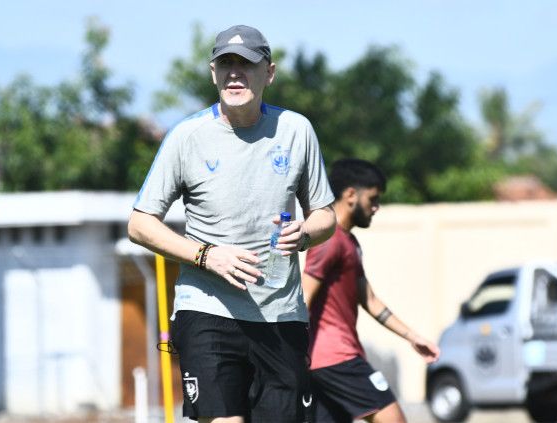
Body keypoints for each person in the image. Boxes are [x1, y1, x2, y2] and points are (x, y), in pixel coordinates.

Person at [127, 24, 336, 423]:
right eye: (226, 65)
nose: (235, 74)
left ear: (269, 73)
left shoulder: (296, 131)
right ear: (213, 73)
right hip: (207, 310)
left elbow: (326, 216)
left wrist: (305, 233)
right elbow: (140, 224)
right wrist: (207, 256)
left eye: (246, 65)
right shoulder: (186, 136)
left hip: (281, 315)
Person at [302, 158, 440, 423]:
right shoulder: (329, 241)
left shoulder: (348, 242)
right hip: (336, 359)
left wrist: (412, 337)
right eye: (373, 199)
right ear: (351, 195)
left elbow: (370, 300)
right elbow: (304, 299)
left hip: (327, 362)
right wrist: (291, 357)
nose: (376, 207)